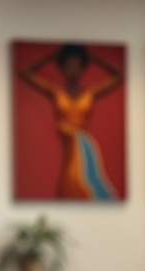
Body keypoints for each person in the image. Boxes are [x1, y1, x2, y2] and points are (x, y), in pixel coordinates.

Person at [18, 43, 121, 199]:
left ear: (83, 68)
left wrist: (94, 57)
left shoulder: (90, 93)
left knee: (86, 182)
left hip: (83, 147)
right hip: (68, 147)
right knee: (69, 183)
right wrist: (51, 56)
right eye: (69, 65)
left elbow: (119, 75)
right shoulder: (56, 92)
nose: (73, 69)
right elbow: (24, 72)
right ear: (62, 68)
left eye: (77, 65)